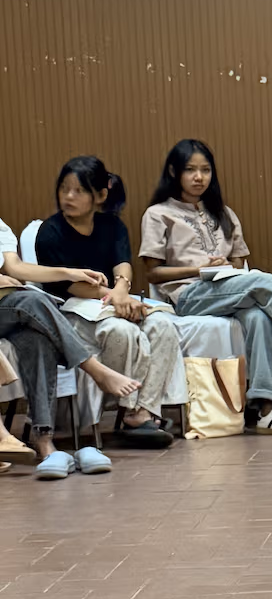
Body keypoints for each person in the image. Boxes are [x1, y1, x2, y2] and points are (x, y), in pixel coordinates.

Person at [140, 139, 272, 434]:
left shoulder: (224, 213)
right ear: (174, 172)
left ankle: (267, 409)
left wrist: (223, 266)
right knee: (264, 281)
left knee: (259, 317)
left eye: (205, 170)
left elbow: (239, 265)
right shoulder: (158, 214)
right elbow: (153, 273)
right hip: (187, 295)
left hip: (228, 289)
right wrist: (200, 269)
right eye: (190, 170)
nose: (199, 177)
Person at [36, 156, 180, 447]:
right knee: (121, 331)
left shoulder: (111, 226)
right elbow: (70, 286)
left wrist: (121, 291)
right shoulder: (50, 232)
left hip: (112, 301)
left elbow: (123, 265)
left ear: (100, 195)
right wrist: (115, 299)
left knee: (163, 324)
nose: (68, 197)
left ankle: (142, 413)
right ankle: (129, 409)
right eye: (64, 189)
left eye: (78, 190)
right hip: (72, 313)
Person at [0, 212, 140, 478]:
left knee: (37, 337)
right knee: (33, 303)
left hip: (5, 307)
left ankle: (44, 441)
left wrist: (68, 272)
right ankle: (95, 370)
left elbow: (16, 268)